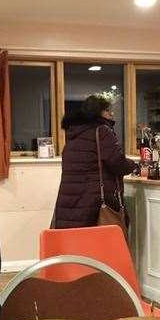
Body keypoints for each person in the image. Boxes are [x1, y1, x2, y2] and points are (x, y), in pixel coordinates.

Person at [52, 93, 137, 229]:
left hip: (70, 202)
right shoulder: (102, 131)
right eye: (108, 110)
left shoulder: (73, 135)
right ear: (99, 112)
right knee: (100, 246)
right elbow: (117, 163)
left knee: (77, 246)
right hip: (93, 204)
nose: (112, 113)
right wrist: (133, 165)